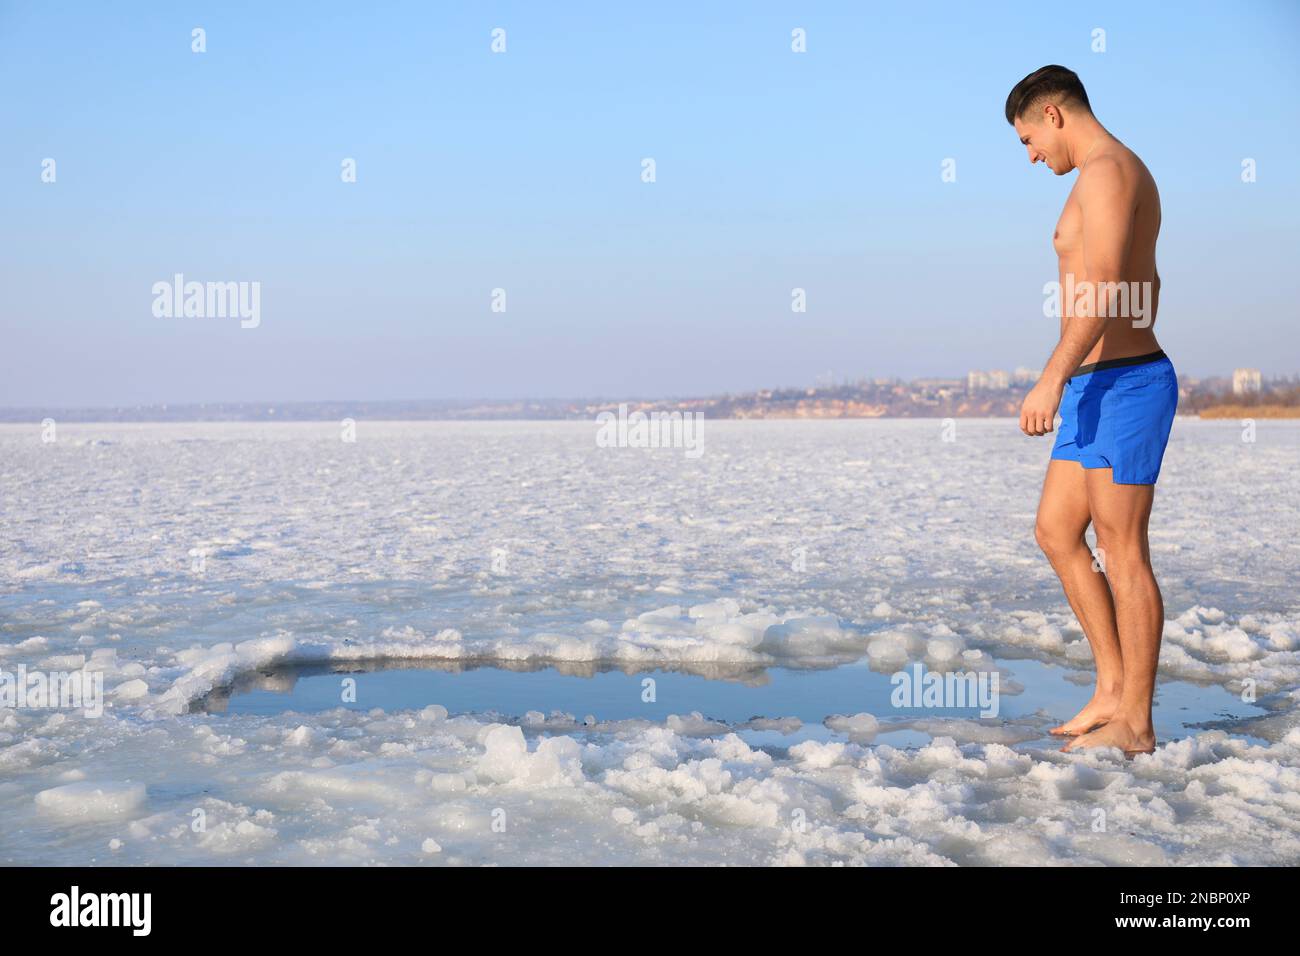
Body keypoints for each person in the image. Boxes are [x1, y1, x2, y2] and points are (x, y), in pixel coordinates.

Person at [1006, 65, 1178, 755]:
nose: (1030, 156)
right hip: (1097, 382)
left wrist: (1052, 377)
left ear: (1052, 114)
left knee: (1122, 547)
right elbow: (1148, 281)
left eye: (1026, 139)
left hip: (1127, 383)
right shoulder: (1104, 175)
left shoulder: (1108, 171)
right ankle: (1111, 688)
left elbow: (1107, 283)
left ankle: (1136, 721)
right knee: (1055, 530)